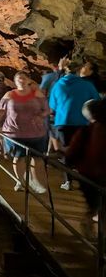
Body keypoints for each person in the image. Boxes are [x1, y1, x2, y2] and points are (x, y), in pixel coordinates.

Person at [0, 71, 50, 193]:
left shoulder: (37, 94)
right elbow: (0, 110)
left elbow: (47, 109)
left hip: (35, 132)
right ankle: (20, 180)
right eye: (18, 78)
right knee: (19, 157)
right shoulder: (9, 95)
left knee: (36, 158)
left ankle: (35, 180)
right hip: (15, 132)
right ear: (14, 81)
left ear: (29, 80)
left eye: (24, 78)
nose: (21, 80)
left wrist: (41, 116)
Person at [49, 61, 100, 190]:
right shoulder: (87, 85)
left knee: (67, 151)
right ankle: (85, 181)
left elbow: (52, 105)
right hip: (83, 122)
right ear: (78, 71)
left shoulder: (57, 85)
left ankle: (68, 181)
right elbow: (96, 102)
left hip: (63, 122)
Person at [65, 99, 106, 226]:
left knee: (94, 205)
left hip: (89, 175)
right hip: (97, 174)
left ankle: (90, 224)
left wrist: (69, 165)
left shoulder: (86, 131)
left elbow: (72, 152)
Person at [41, 56, 69, 153]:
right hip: (52, 108)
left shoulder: (67, 77)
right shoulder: (49, 77)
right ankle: (51, 152)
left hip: (61, 108)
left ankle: (49, 153)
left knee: (53, 132)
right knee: (52, 131)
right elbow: (42, 92)